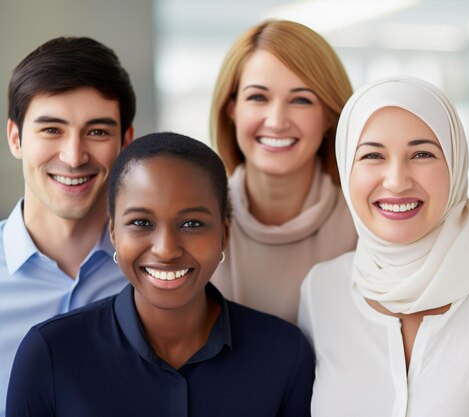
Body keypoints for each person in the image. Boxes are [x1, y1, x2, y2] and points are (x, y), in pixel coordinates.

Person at [298, 76, 469, 416]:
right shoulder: (320, 291)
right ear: (346, 168)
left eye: (422, 153)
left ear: (456, 165)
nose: (397, 181)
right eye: (372, 155)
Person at [6, 132, 314, 417]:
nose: (166, 250)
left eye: (192, 224)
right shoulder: (49, 354)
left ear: (223, 234)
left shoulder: (284, 354)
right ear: (113, 232)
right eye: (141, 223)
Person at [0, 37, 135, 416]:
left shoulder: (157, 274)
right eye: (51, 130)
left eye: (97, 132)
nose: (74, 157)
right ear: (15, 138)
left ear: (126, 141)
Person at [210, 19, 357, 323]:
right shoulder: (194, 219)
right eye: (258, 97)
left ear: (330, 115)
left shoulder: (366, 224)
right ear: (231, 108)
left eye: (301, 100)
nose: (276, 121)